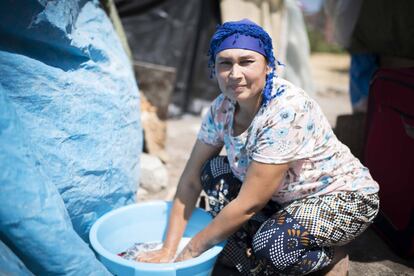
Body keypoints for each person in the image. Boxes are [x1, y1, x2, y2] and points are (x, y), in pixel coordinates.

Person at [137, 19, 379, 275]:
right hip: (281, 198)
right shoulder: (221, 108)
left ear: (269, 65)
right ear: (214, 68)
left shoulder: (286, 110)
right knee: (213, 173)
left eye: (246, 62)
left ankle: (331, 257)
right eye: (225, 63)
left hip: (340, 198)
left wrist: (189, 252)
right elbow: (190, 181)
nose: (234, 74)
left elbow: (250, 203)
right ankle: (265, 243)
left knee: (272, 247)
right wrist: (167, 250)